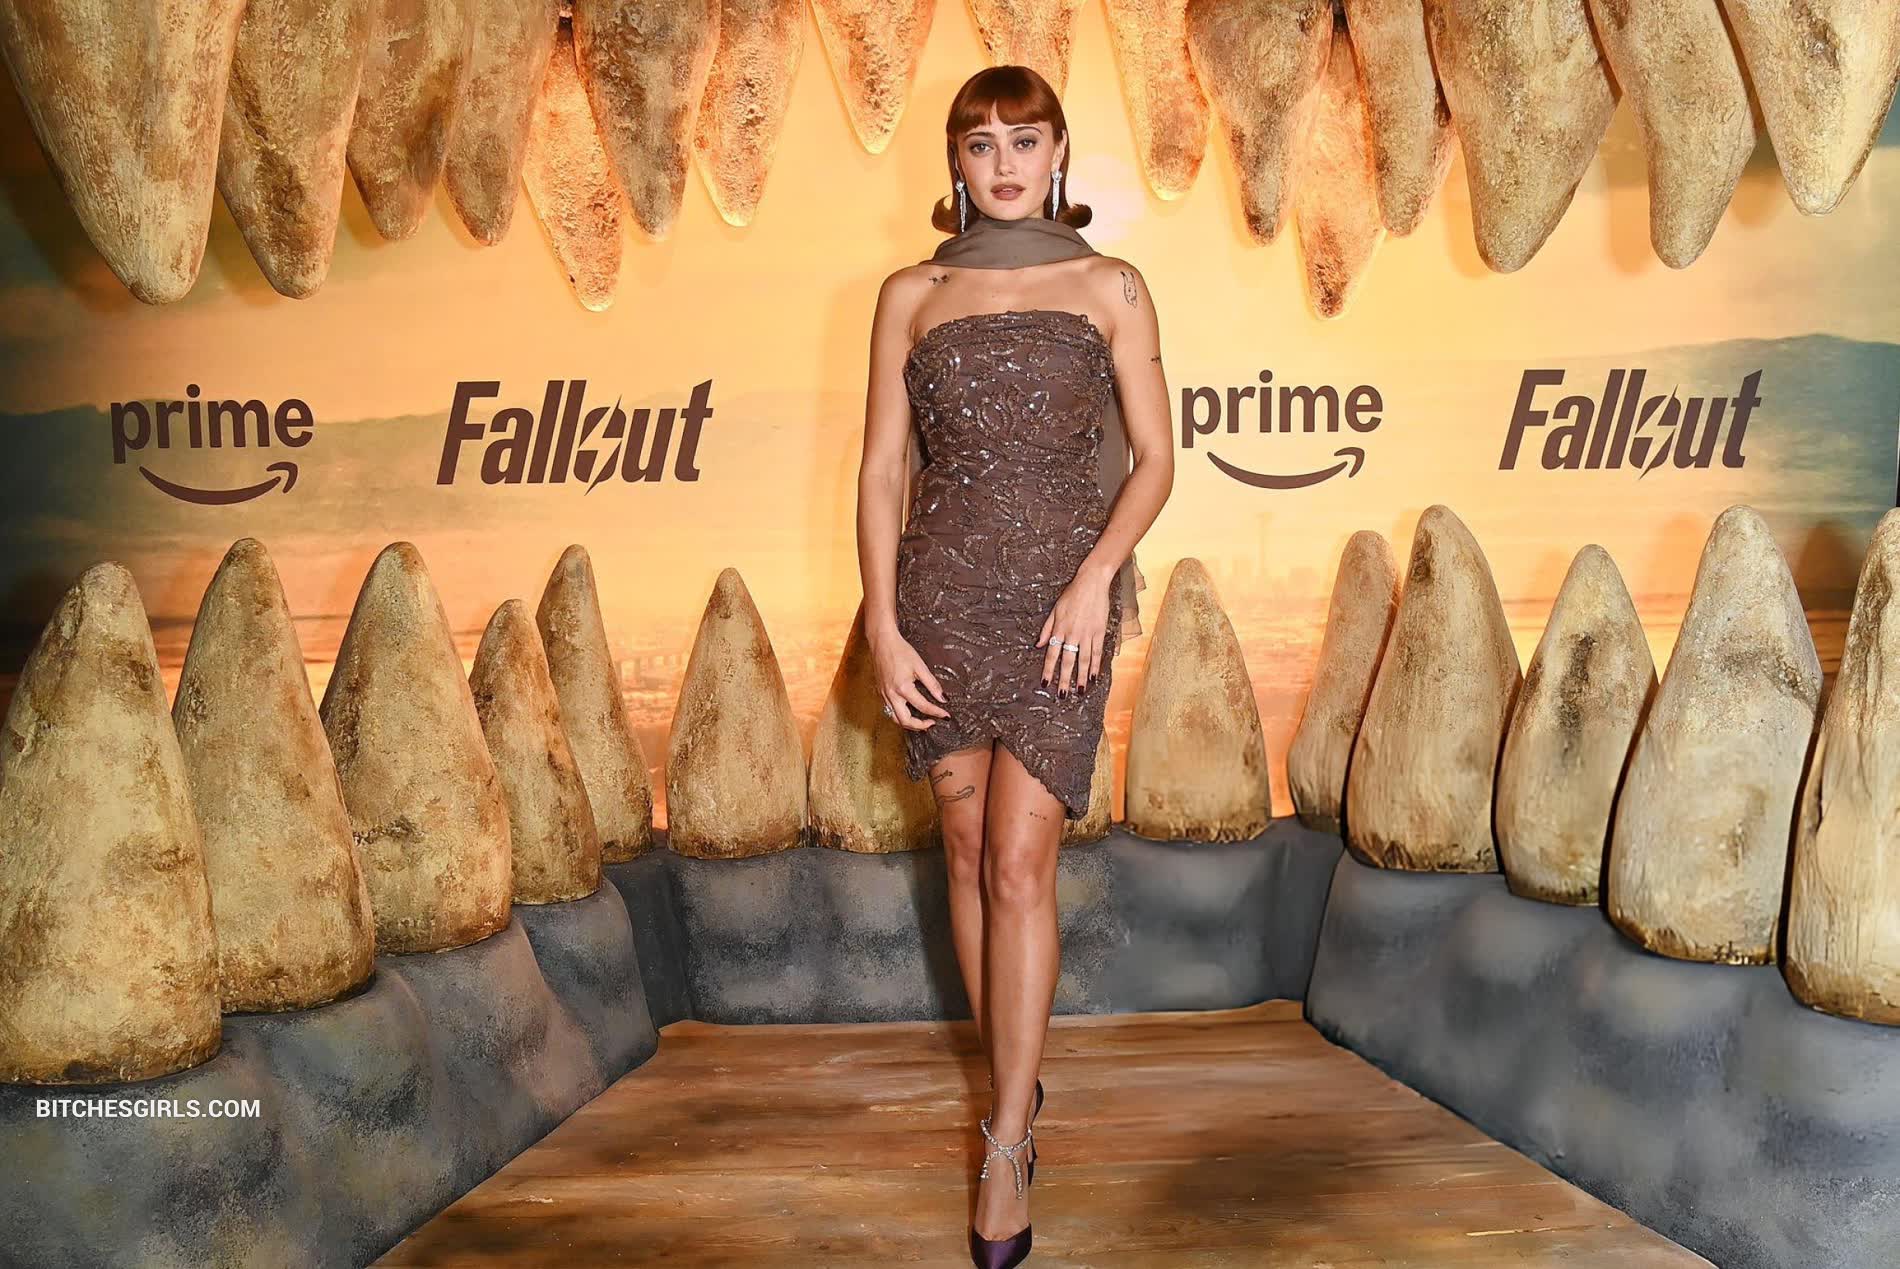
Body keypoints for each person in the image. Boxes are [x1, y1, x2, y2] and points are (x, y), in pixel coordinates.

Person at [854, 64, 1174, 1268]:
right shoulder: (911, 293)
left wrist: (1094, 579)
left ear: (1057, 152)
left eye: (1023, 140)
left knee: (1020, 860)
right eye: (979, 143)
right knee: (965, 851)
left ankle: (1006, 1142)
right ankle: (1015, 1082)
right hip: (938, 599)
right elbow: (881, 472)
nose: (1002, 163)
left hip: (1060, 611)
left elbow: (1155, 460)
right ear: (955, 160)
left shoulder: (1111, 286)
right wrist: (882, 624)